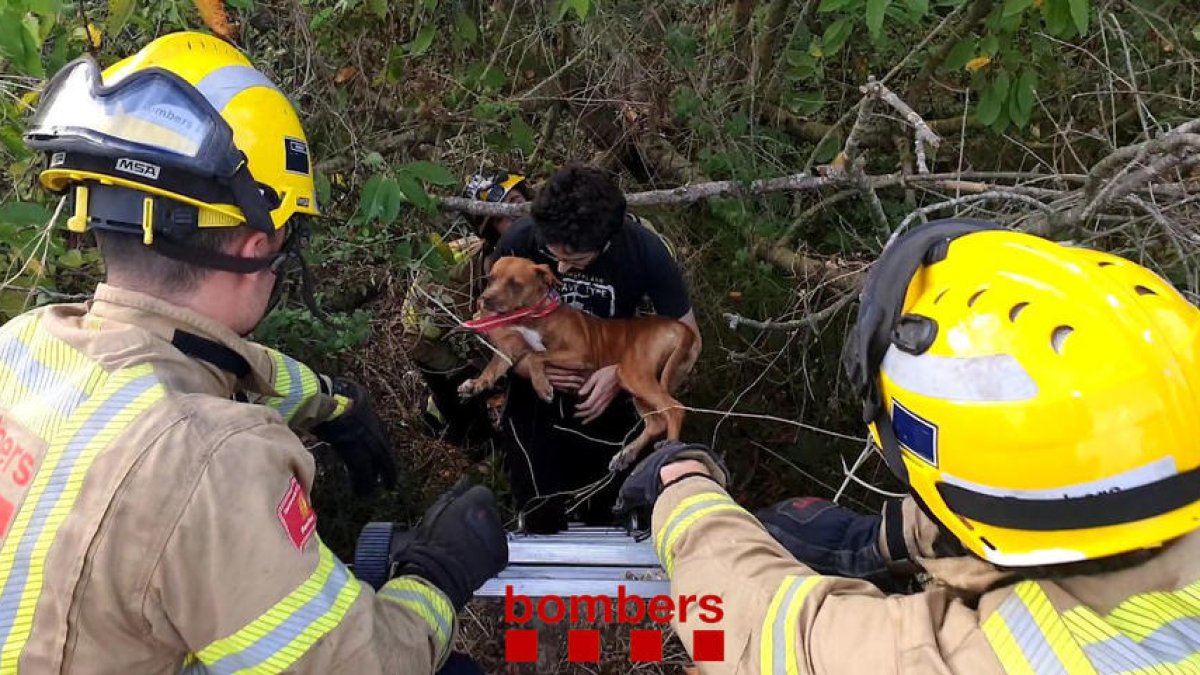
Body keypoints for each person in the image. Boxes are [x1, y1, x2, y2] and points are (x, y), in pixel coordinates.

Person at [2, 32, 506, 673]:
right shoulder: (214, 462)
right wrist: (437, 574)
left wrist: (332, 401)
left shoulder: (25, 344)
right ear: (253, 246)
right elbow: (366, 665)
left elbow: (202, 360)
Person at [615, 220, 1200, 674]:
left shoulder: (1002, 659)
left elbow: (767, 636)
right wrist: (891, 538)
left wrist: (684, 490)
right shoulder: (1160, 476)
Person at [492, 163, 701, 533]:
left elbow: (689, 339)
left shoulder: (644, 252)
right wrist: (523, 363)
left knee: (608, 516)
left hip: (610, 395)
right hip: (535, 398)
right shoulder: (521, 241)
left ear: (605, 242)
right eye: (553, 253)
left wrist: (621, 377)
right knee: (539, 512)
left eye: (575, 261)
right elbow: (489, 322)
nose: (561, 267)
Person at [402, 172, 530, 452]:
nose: (515, 216)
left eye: (517, 202)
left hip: (463, 324)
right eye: (502, 215)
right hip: (430, 334)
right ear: (490, 230)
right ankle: (474, 444)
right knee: (467, 403)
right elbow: (426, 338)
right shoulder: (470, 274)